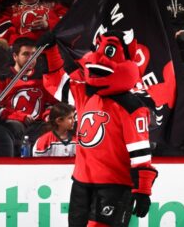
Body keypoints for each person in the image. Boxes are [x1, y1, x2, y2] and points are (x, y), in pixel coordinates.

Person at [42, 31, 157, 226]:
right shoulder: (85, 94)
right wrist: (51, 51)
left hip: (114, 185)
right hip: (81, 182)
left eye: (109, 50)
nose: (95, 57)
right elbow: (57, 85)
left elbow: (140, 153)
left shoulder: (132, 107)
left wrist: (143, 190)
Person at [0, 37, 56, 156]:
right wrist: (20, 117)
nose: (31, 59)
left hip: (38, 124)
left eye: (33, 54)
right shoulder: (2, 77)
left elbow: (50, 104)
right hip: (15, 125)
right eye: (26, 54)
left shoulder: (43, 77)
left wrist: (48, 116)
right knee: (15, 126)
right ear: (15, 56)